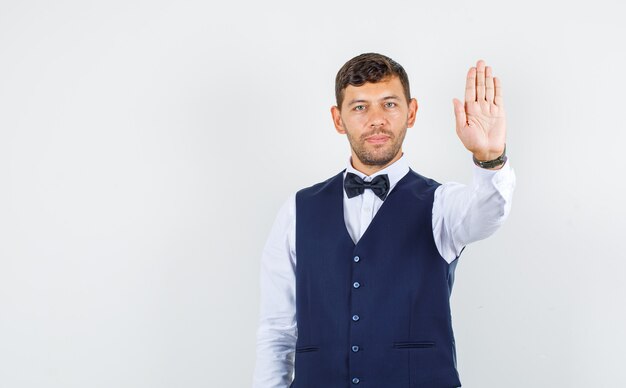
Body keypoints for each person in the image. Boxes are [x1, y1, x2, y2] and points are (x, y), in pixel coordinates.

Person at [253, 53, 516, 387]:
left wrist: (490, 158)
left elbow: (488, 213)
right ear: (338, 119)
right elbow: (277, 329)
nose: (376, 119)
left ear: (412, 112)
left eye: (389, 104)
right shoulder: (297, 209)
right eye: (360, 107)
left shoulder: (442, 204)